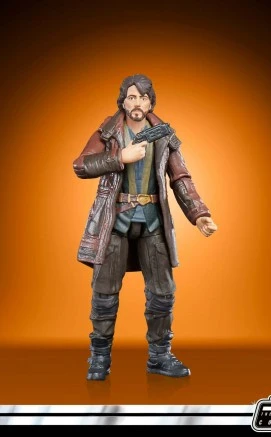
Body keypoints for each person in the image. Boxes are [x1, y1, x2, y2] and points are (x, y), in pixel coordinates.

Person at [73, 74, 217, 380]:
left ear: (150, 103)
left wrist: (199, 214)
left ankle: (159, 356)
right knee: (104, 293)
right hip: (115, 222)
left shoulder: (163, 134)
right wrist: (118, 157)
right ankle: (99, 358)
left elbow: (181, 178)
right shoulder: (109, 131)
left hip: (152, 221)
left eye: (142, 97)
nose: (137, 103)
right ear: (123, 101)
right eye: (131, 97)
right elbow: (81, 165)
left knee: (162, 293)